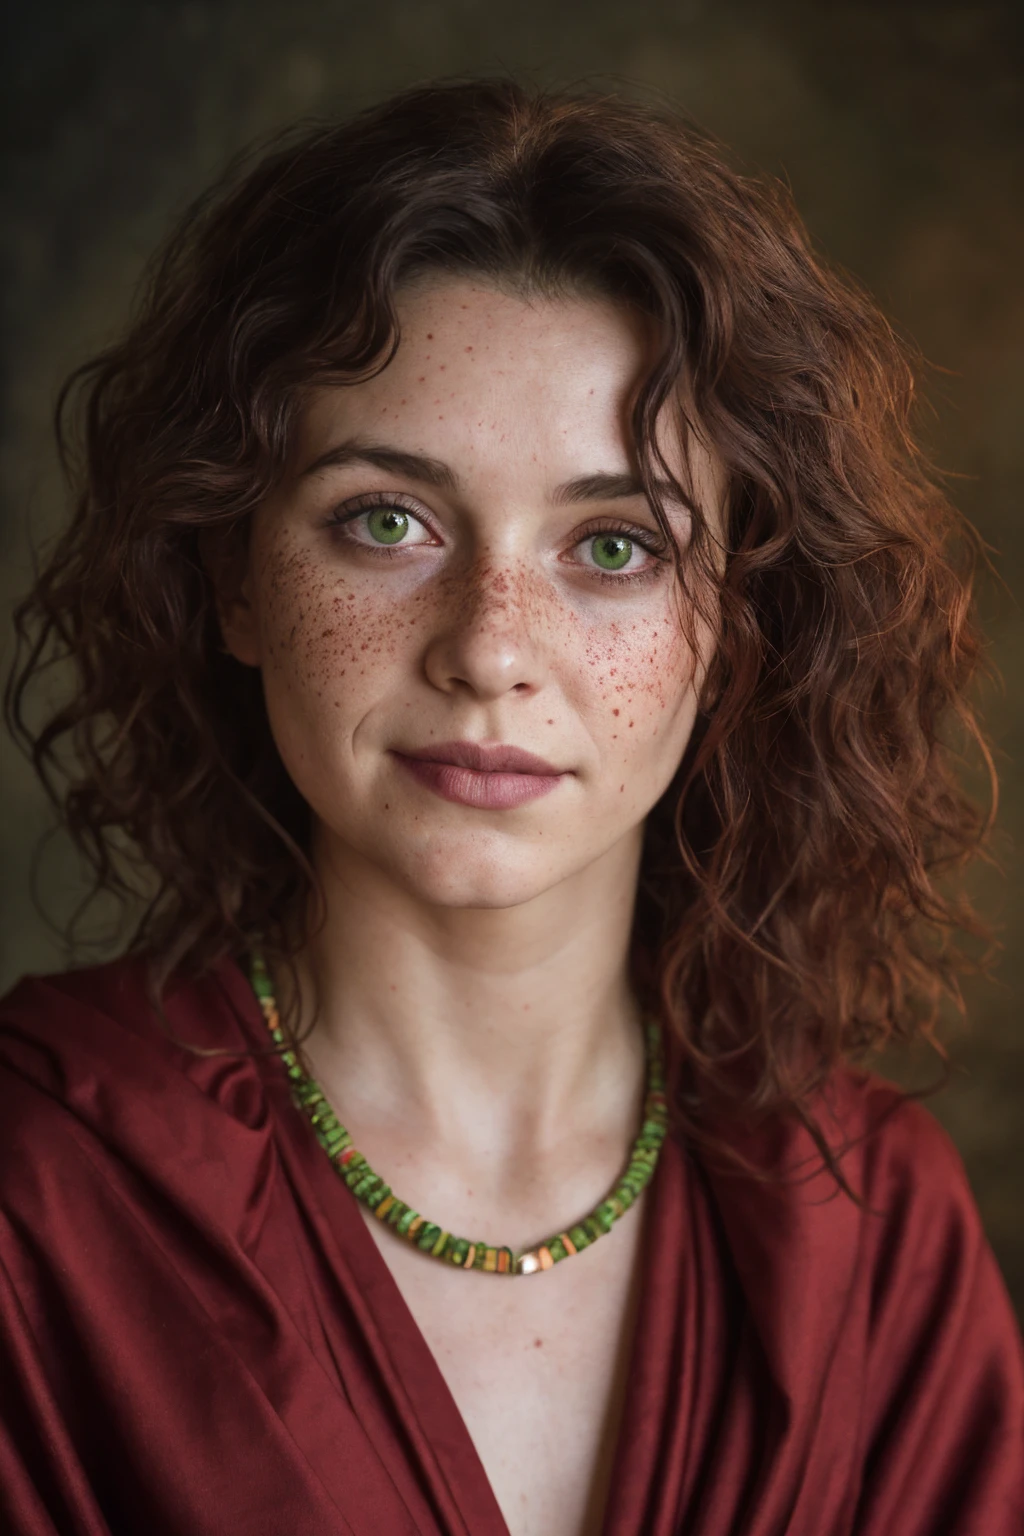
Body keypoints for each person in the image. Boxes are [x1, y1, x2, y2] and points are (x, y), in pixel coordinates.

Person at [1, 77, 1021, 1536]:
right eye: (388, 521)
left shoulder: (866, 1227)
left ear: (732, 626)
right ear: (235, 577)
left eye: (612, 545)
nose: (487, 645)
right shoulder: (35, 1196)